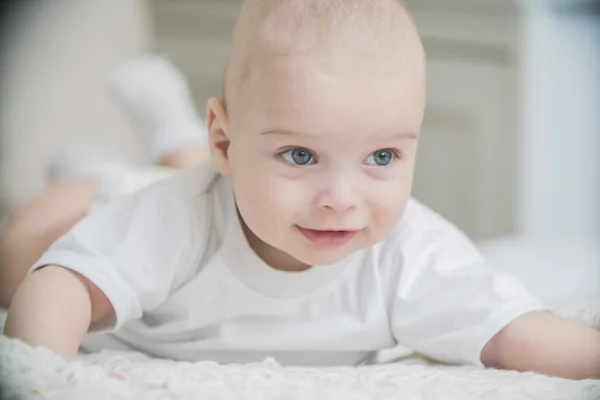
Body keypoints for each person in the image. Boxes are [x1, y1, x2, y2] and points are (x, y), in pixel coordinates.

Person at [3, 0, 600, 380]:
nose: (341, 198)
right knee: (22, 252)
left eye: (382, 156)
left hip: (227, 177)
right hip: (130, 196)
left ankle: (172, 137)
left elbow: (515, 333)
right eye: (301, 154)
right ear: (228, 139)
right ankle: (134, 152)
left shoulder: (412, 251)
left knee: (223, 180)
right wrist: (45, 376)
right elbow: (59, 286)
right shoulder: (174, 218)